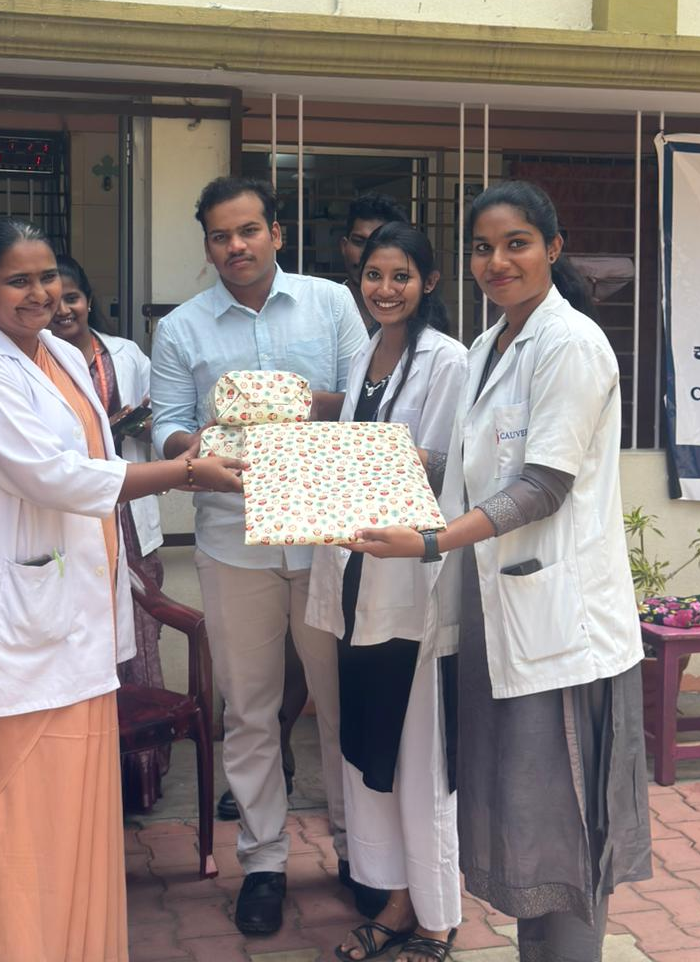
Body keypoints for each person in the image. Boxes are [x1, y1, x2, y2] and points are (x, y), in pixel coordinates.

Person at [347, 181, 652, 962]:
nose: (497, 261)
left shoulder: (571, 343)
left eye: (517, 243)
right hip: (496, 620)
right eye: (483, 248)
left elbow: (542, 486)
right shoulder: (489, 346)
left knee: (566, 831)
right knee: (525, 828)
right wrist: (379, 458)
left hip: (561, 627)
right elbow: (472, 466)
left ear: (552, 248)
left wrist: (431, 541)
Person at [0, 218, 244, 962]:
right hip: (12, 628)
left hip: (72, 618)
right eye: (17, 280)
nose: (39, 293)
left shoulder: (62, 355)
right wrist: (185, 472)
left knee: (74, 812)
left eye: (47, 277)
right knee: (9, 818)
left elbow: (91, 458)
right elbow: (56, 477)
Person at [149, 176, 369, 936]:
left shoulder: (331, 303)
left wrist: (286, 405)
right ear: (208, 245)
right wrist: (208, 443)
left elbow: (363, 398)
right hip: (231, 537)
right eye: (220, 236)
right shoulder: (181, 328)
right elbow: (167, 428)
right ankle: (264, 862)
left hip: (324, 533)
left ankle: (360, 852)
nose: (235, 246)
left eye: (248, 230)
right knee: (248, 711)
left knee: (339, 703)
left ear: (276, 232)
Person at [306, 222, 467, 962]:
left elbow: (445, 465)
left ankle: (436, 916)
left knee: (418, 755)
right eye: (374, 275)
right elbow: (364, 454)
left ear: (428, 282)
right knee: (371, 745)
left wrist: (342, 461)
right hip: (355, 578)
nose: (385, 289)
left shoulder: (449, 361)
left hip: (410, 580)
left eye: (401, 276)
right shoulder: (362, 353)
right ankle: (395, 898)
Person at [49, 253, 169, 813]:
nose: (63, 309)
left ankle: (143, 775)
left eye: (72, 297)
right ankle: (88, 777)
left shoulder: (126, 354)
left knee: (141, 641)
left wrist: (139, 424)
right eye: (54, 300)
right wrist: (108, 429)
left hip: (130, 518)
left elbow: (164, 416)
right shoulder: (36, 363)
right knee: (87, 644)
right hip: (76, 521)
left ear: (89, 300)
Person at [340, 191, 410, 331]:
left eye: (379, 245)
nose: (367, 255)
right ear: (344, 247)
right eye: (359, 242)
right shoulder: (325, 310)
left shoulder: (413, 317)